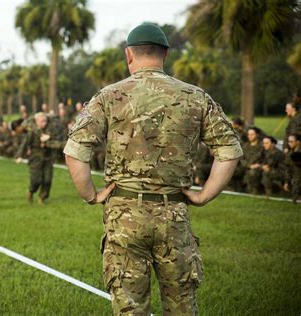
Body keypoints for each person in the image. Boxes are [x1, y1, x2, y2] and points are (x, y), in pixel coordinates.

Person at [64, 23, 242, 315]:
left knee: (130, 308)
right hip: (174, 212)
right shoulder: (195, 96)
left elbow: (75, 152)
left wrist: (91, 195)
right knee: (182, 305)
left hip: (124, 214)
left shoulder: (108, 96)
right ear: (166, 55)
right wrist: (204, 195)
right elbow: (229, 150)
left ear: (128, 55)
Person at [16, 112, 65, 203]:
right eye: (42, 121)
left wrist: (49, 137)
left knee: (47, 180)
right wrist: (19, 155)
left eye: (45, 121)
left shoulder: (51, 130)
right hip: (35, 158)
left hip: (48, 158)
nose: (44, 123)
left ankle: (42, 198)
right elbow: (25, 144)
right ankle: (31, 191)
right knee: (36, 180)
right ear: (36, 122)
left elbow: (58, 140)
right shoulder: (32, 131)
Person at [283, 134, 301, 203]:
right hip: (295, 177)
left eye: (291, 142)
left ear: (298, 142)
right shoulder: (290, 153)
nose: (289, 143)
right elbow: (287, 168)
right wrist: (286, 182)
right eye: (288, 141)